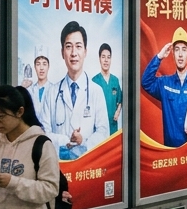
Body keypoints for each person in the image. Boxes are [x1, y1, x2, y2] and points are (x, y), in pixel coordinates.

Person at [44, 21, 110, 161]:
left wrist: (83, 142)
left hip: (87, 166)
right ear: (62, 52)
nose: (74, 53)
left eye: (78, 46)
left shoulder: (96, 91)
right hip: (58, 166)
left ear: (85, 52)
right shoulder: (51, 92)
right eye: (68, 47)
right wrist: (65, 140)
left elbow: (103, 133)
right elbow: (43, 133)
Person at [142, 28, 187, 147]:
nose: (180, 54)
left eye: (184, 49)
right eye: (177, 50)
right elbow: (146, 82)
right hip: (170, 151)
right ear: (172, 54)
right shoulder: (165, 84)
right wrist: (159, 57)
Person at [92, 43, 123, 135]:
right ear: (99, 59)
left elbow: (120, 100)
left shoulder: (115, 80)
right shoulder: (94, 81)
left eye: (108, 57)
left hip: (113, 126)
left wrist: (118, 111)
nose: (106, 60)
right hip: (98, 128)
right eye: (103, 57)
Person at [27, 54, 52, 120]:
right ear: (35, 67)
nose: (41, 68)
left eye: (44, 64)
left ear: (48, 67)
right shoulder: (29, 90)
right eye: (38, 64)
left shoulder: (54, 89)